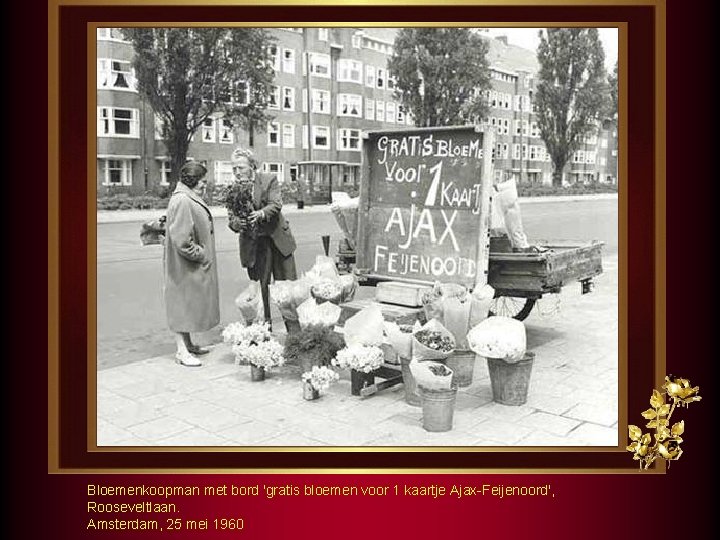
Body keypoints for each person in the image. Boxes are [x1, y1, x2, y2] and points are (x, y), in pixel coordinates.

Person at [226, 147, 297, 330]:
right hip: (255, 246)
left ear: (252, 166)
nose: (237, 172)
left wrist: (260, 214)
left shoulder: (268, 180)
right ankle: (265, 333)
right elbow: (231, 219)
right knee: (260, 290)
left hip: (278, 241)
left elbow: (276, 204)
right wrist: (237, 223)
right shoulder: (233, 190)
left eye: (240, 167)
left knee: (287, 289)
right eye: (234, 168)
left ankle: (294, 333)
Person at [164, 161, 219, 367]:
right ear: (193, 180)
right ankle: (181, 350)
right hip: (183, 266)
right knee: (180, 304)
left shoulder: (186, 198)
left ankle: (187, 344)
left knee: (185, 303)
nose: (205, 185)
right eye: (203, 181)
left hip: (185, 266)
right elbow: (182, 241)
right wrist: (201, 254)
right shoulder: (184, 201)